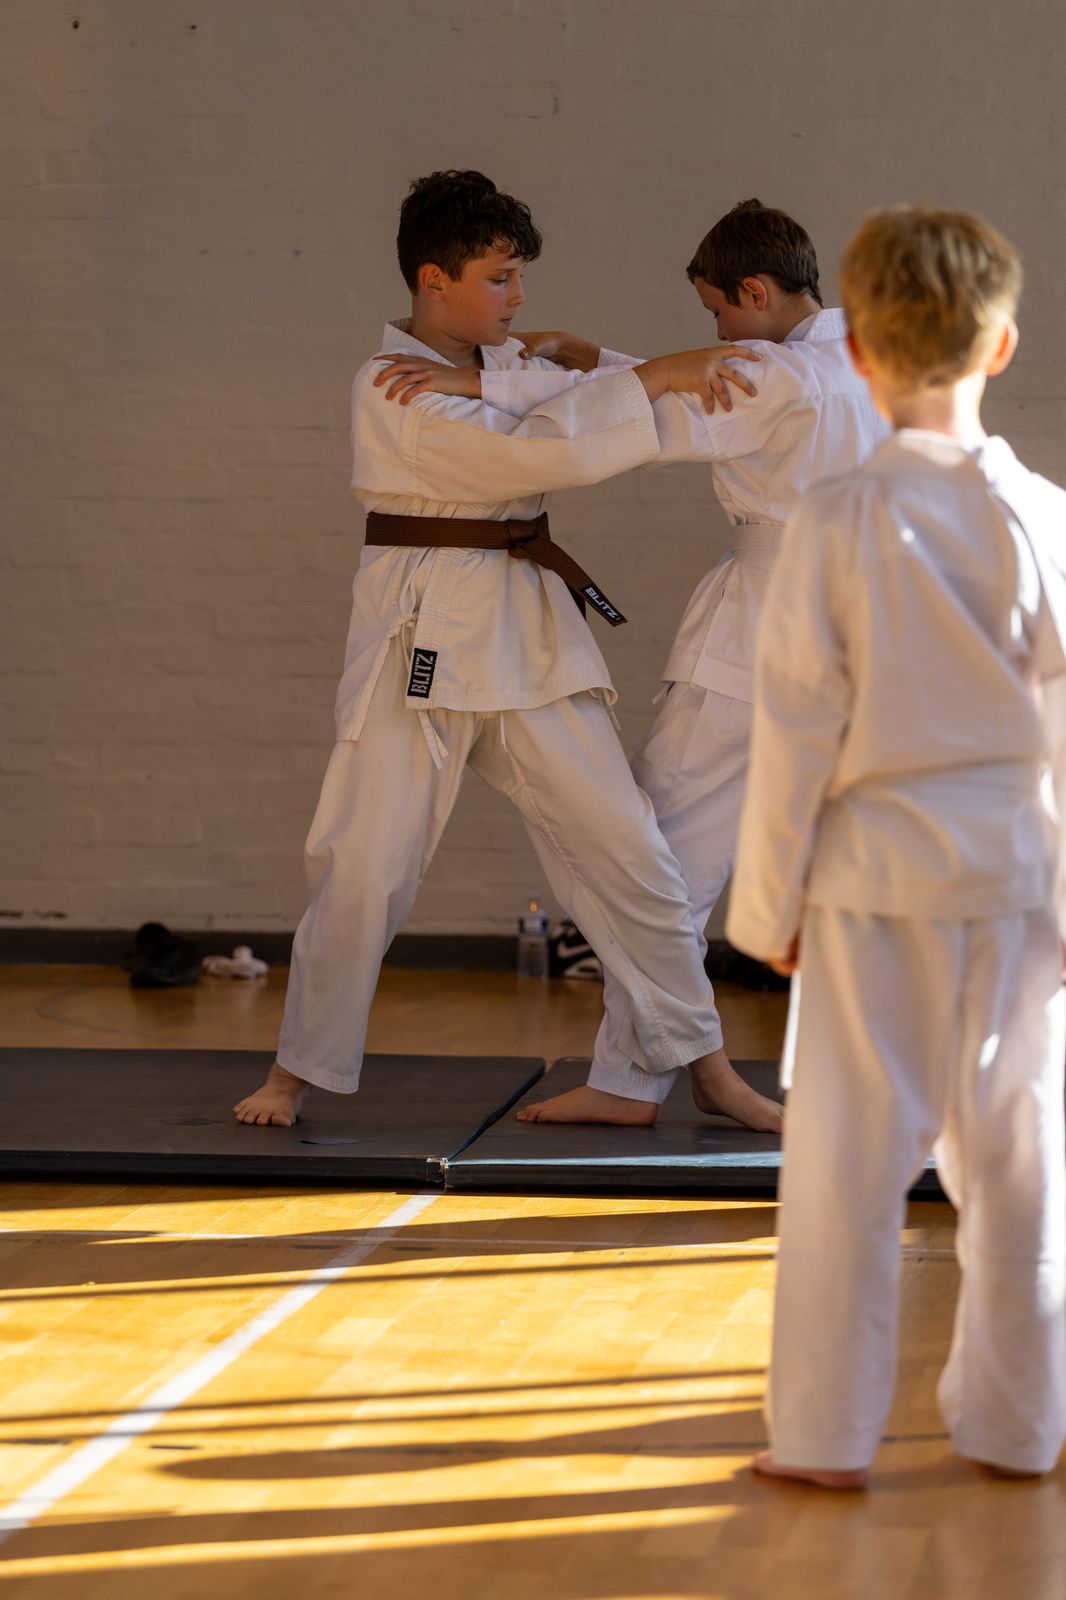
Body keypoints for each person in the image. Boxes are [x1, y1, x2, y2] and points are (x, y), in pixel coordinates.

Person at [234, 169, 780, 1133]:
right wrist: (655, 373)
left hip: (527, 631)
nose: (518, 297)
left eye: (519, 276)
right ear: (434, 279)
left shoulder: (512, 365)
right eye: (499, 278)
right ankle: (295, 1070)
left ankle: (705, 1065)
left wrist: (598, 379)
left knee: (628, 851)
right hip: (420, 633)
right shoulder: (389, 382)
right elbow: (540, 452)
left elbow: (579, 415)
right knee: (364, 860)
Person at [379, 200, 885, 1124]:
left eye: (719, 312)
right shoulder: (866, 356)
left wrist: (480, 386)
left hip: (767, 638)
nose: (718, 334)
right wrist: (598, 359)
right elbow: (689, 389)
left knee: (660, 860)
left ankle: (629, 1083)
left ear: (756, 291)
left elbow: (653, 422)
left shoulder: (779, 374)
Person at [726, 205, 1066, 1487]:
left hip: (872, 882)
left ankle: (823, 1437)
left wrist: (769, 906)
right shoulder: (1047, 517)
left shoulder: (840, 514)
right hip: (1017, 878)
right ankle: (1019, 1426)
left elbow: (795, 727)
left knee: (845, 1170)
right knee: (1021, 1164)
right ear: (1002, 346)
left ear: (857, 351)